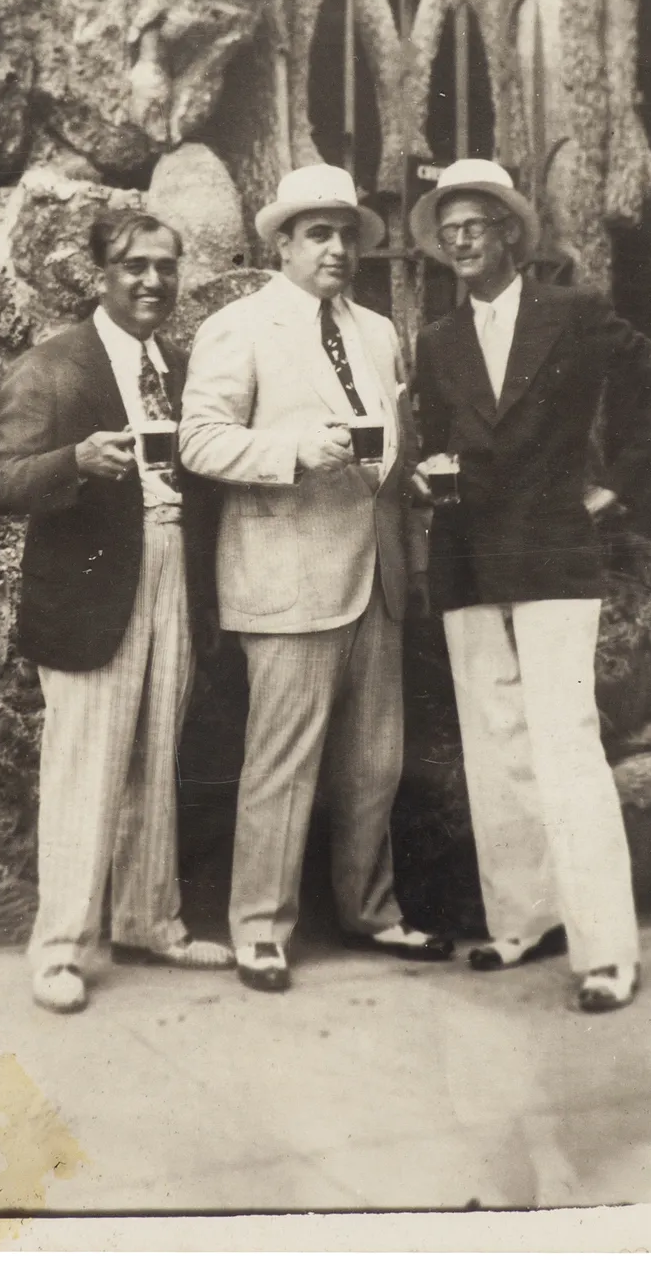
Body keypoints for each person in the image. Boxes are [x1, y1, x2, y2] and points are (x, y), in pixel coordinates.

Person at [409, 159, 651, 1013]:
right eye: (448, 228)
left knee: (566, 744)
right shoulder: (436, 341)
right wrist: (435, 476)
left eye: (476, 223)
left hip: (551, 557)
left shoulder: (572, 315)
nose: (461, 238)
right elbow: (441, 439)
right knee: (496, 743)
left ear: (510, 233)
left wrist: (617, 487)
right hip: (468, 558)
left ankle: (606, 952)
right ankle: (524, 916)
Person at [179, 163, 452, 993]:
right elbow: (198, 441)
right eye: (319, 234)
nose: (337, 248)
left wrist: (411, 488)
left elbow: (388, 443)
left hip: (375, 574)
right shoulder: (240, 326)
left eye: (346, 235)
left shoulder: (375, 331)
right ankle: (260, 927)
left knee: (375, 763)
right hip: (287, 574)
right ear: (284, 244)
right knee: (283, 763)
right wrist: (293, 450)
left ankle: (372, 912)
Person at [0, 209, 233, 1014]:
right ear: (102, 274)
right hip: (93, 585)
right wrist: (75, 461)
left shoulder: (184, 364)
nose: (153, 280)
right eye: (134, 266)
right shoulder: (54, 366)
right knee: (84, 766)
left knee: (159, 750)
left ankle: (149, 918)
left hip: (173, 570)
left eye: (166, 264)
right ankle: (61, 947)